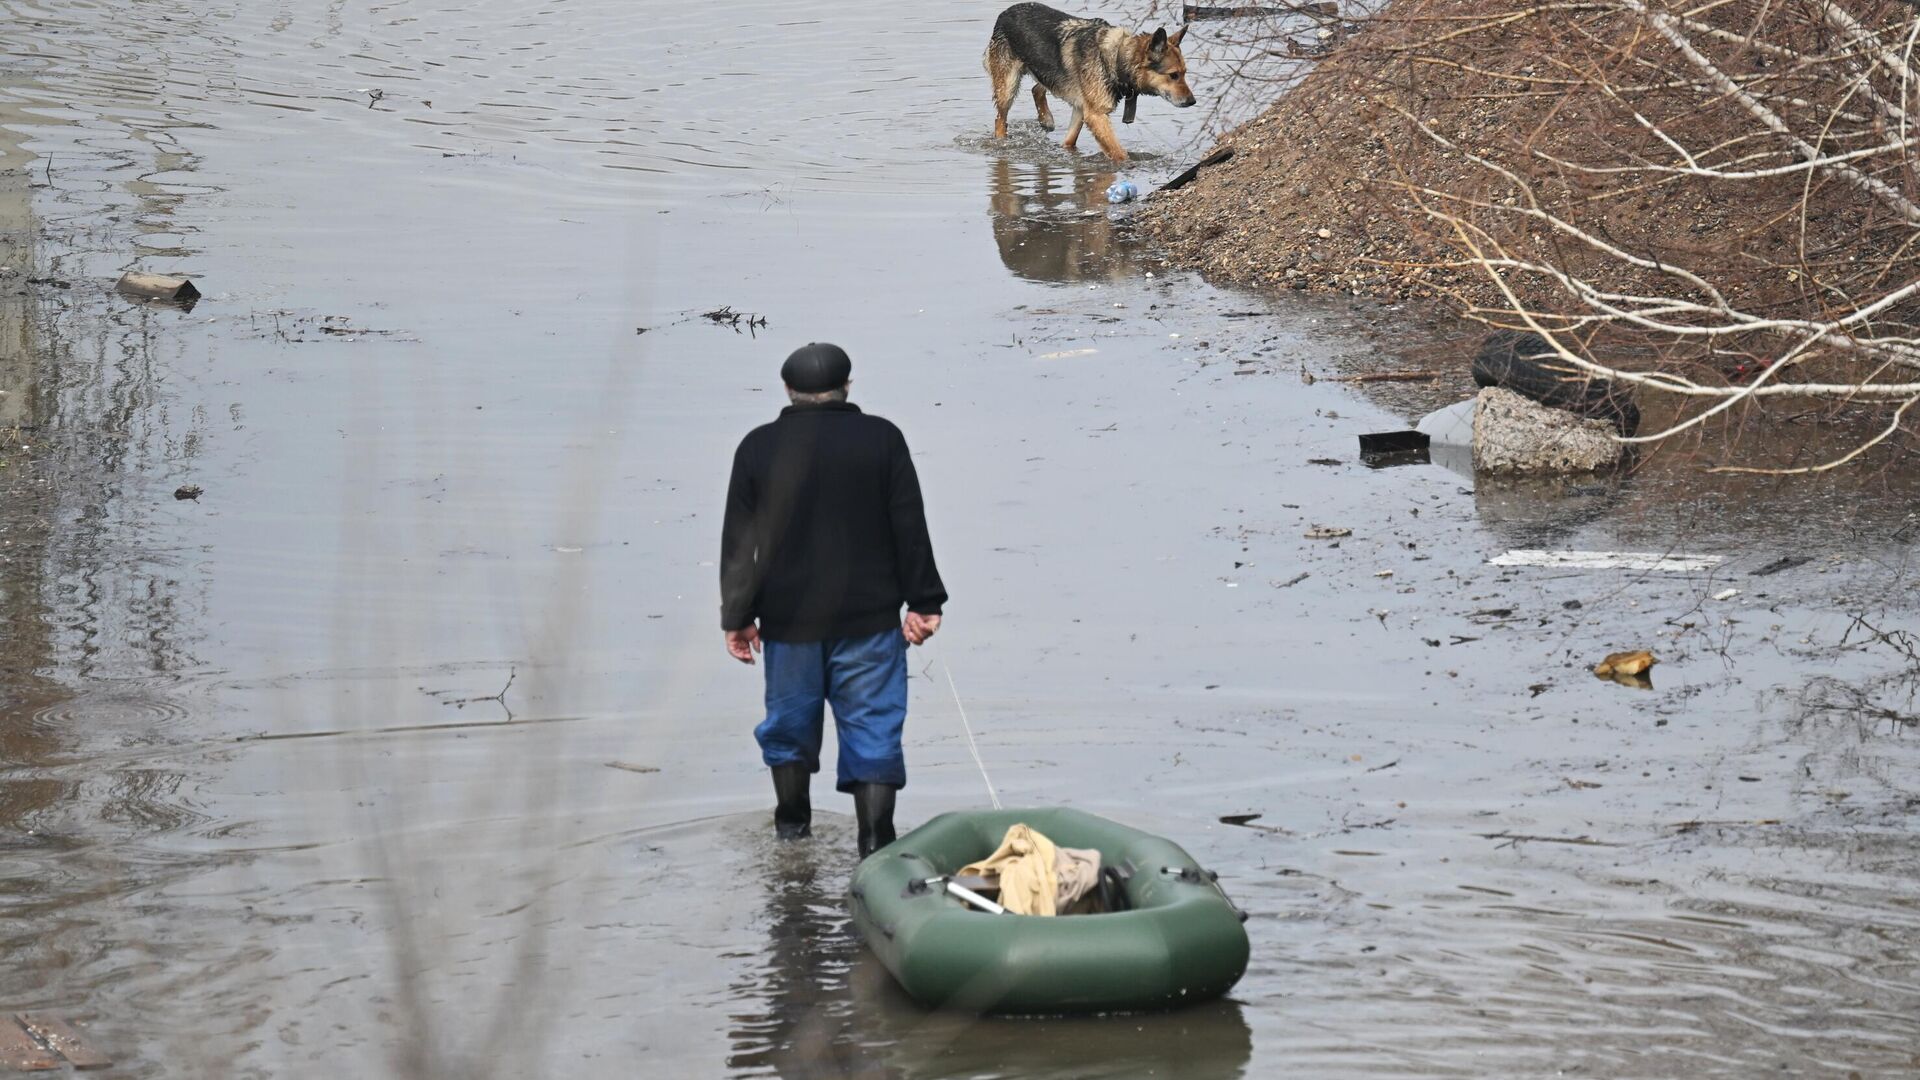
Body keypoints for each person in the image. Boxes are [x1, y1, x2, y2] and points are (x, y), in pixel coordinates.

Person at [720, 342, 947, 857]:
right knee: (873, 732)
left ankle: (791, 839)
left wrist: (736, 616)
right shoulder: (882, 440)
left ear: (787, 391)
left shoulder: (757, 448)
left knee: (789, 730)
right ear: (847, 386)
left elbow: (740, 544)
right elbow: (908, 526)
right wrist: (924, 601)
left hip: (788, 627)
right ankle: (875, 850)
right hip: (871, 626)